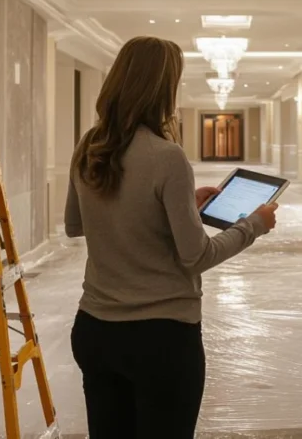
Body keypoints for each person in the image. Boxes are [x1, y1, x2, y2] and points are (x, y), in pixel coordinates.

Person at [65, 36, 279, 438]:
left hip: (95, 329)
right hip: (160, 338)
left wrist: (180, 207)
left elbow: (77, 224)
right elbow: (196, 256)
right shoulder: (167, 156)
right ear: (163, 89)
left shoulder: (88, 146)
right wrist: (253, 224)